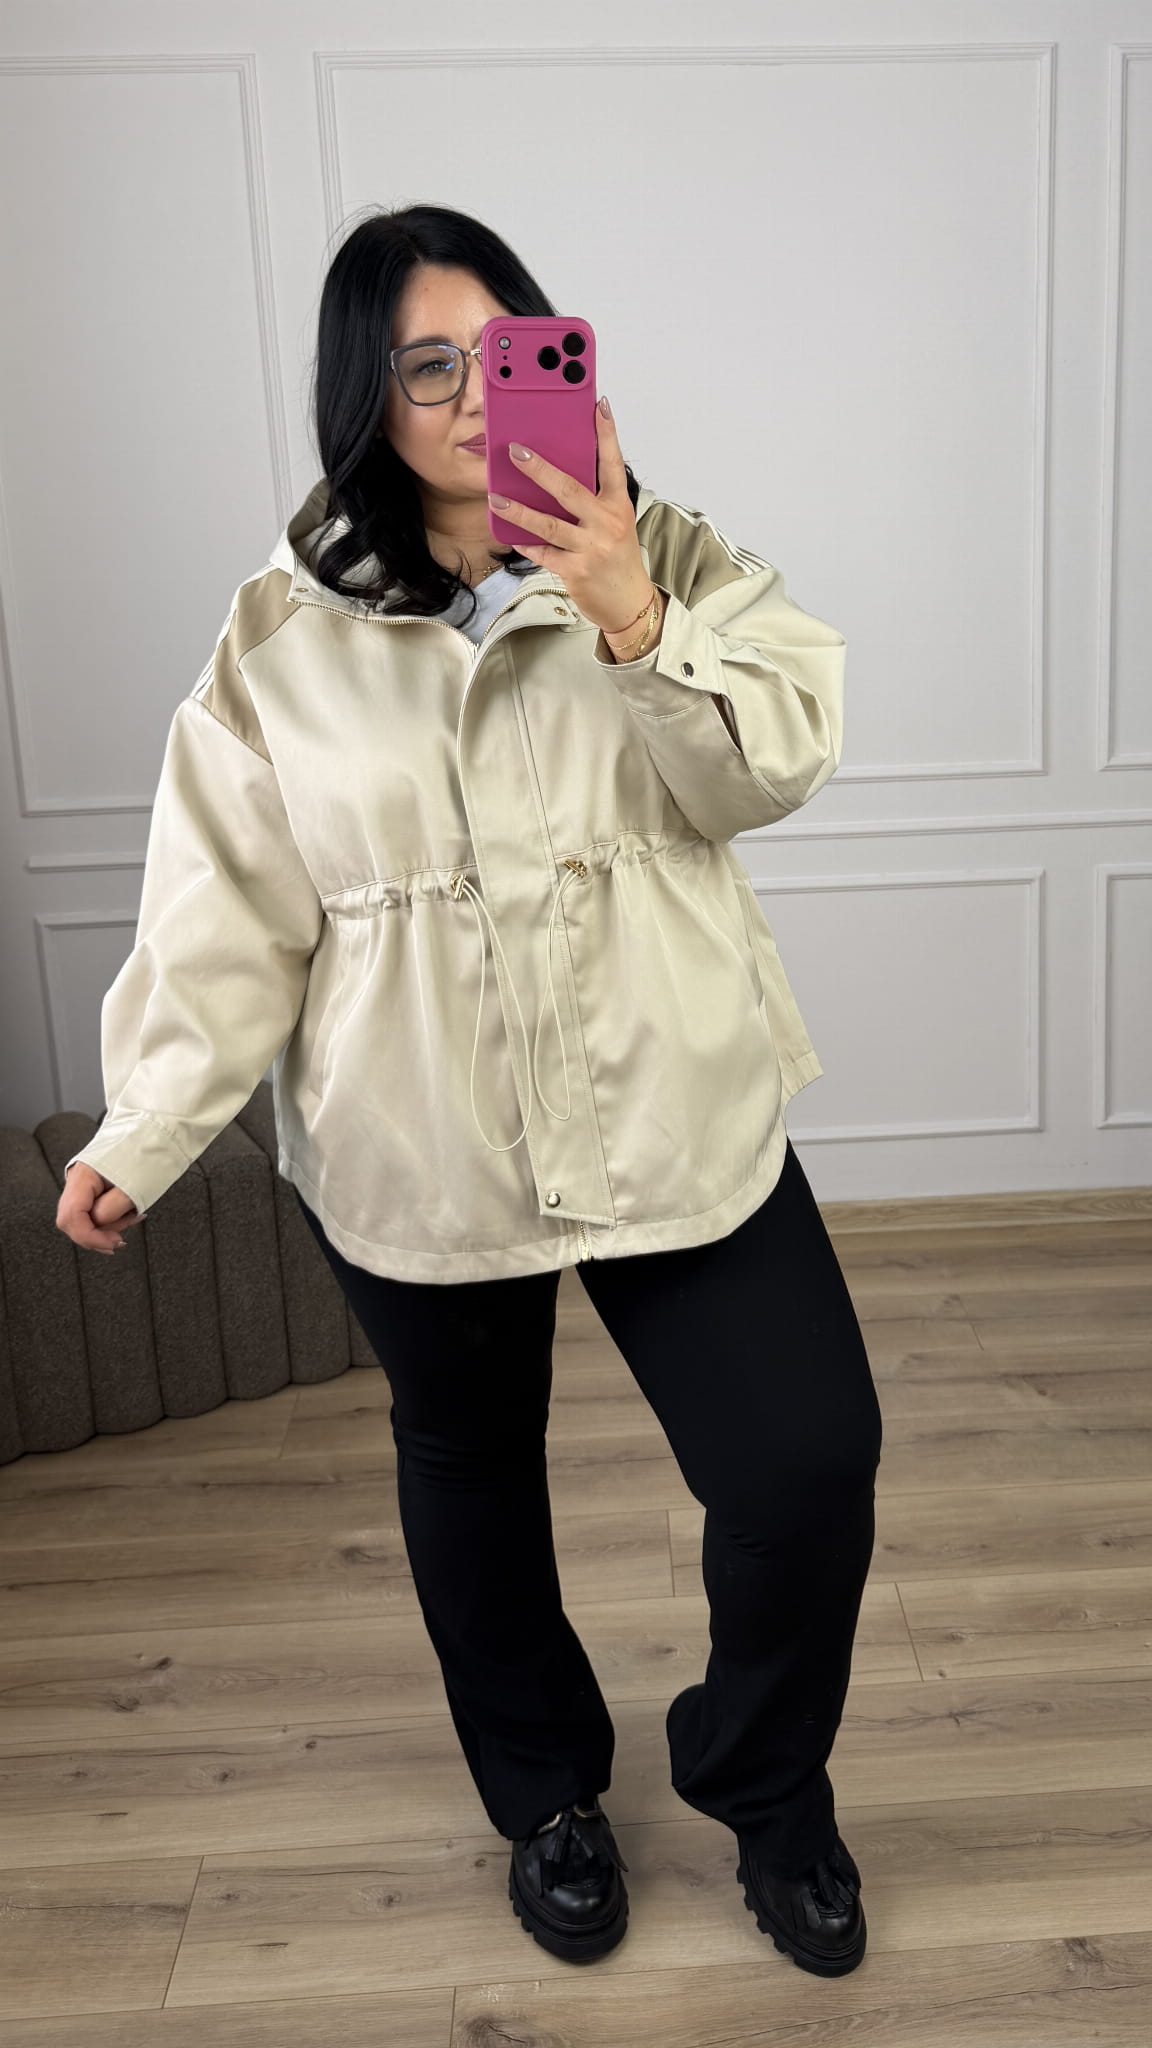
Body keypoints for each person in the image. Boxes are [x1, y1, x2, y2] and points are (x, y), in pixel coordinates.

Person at [57, 203, 882, 1977]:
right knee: (472, 1467)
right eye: (423, 366)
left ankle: (767, 1783)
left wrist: (633, 611)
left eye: (500, 348)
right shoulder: (278, 634)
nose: (467, 394)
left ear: (552, 354)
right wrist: (150, 1121)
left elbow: (773, 768)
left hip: (673, 1100)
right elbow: (228, 904)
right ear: (363, 396)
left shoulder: (673, 554)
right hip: (420, 1137)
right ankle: (547, 1796)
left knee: (807, 1462)